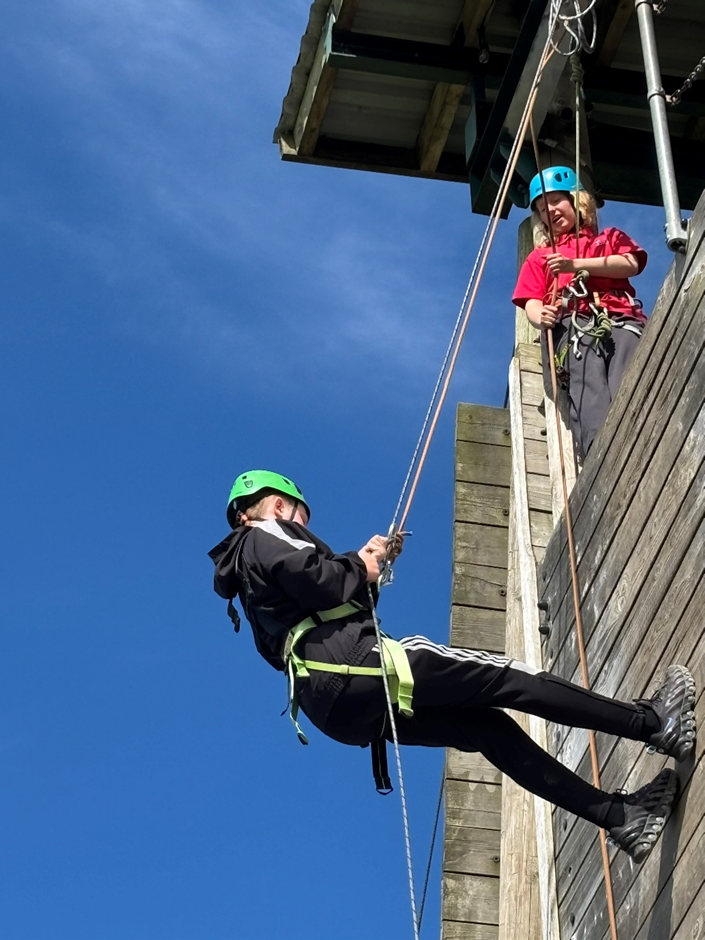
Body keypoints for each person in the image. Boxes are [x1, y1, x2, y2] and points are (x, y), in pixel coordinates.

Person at [208, 470, 696, 863]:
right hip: (362, 665)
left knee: (487, 731)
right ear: (276, 506)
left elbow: (310, 617)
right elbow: (315, 576)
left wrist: (365, 575)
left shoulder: (247, 592)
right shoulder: (265, 534)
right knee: (508, 677)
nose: (304, 526)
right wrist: (358, 566)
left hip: (334, 706)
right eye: (301, 517)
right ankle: (655, 722)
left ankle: (620, 818)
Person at [513, 166, 648, 457]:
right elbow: (530, 300)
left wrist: (575, 266)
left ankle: (643, 440)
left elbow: (630, 264)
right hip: (573, 324)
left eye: (555, 202)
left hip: (621, 318)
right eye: (540, 209)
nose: (549, 211)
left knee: (631, 378)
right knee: (588, 389)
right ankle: (600, 454)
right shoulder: (540, 258)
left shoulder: (607, 239)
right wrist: (540, 317)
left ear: (577, 201)